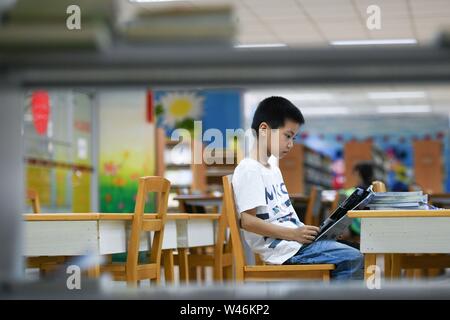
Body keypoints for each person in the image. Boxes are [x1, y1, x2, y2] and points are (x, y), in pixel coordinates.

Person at [232, 96, 363, 280]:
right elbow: (247, 222)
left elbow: (286, 218)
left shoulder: (273, 170)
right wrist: (293, 234)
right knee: (353, 258)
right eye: (287, 135)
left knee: (358, 250)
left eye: (293, 137)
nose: (291, 144)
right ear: (264, 129)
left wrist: (315, 232)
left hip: (295, 245)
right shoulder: (249, 169)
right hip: (283, 252)